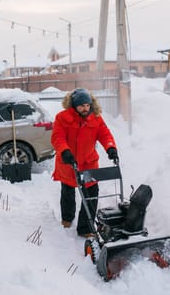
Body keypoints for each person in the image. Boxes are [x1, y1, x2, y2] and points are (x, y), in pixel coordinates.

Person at [51, 88, 118, 237]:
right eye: (81, 105)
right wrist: (64, 150)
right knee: (68, 192)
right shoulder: (62, 118)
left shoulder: (96, 118)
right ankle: (67, 219)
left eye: (87, 105)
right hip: (68, 162)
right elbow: (57, 137)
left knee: (92, 194)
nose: (85, 109)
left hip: (88, 163)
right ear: (74, 105)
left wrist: (110, 147)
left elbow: (105, 134)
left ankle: (85, 228)